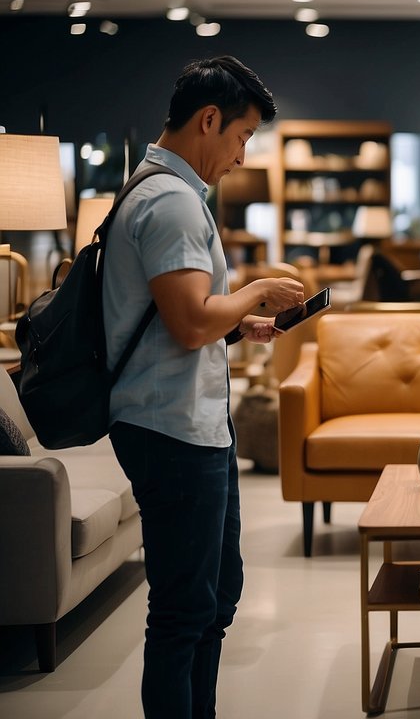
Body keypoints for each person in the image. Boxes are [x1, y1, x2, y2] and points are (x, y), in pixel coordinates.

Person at [102, 56, 305, 718]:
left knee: (212, 599)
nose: (243, 156)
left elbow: (180, 317)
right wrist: (253, 289)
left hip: (189, 425)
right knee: (186, 611)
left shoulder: (162, 190)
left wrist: (236, 323)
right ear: (209, 119)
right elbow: (189, 322)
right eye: (243, 136)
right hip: (171, 429)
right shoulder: (171, 200)